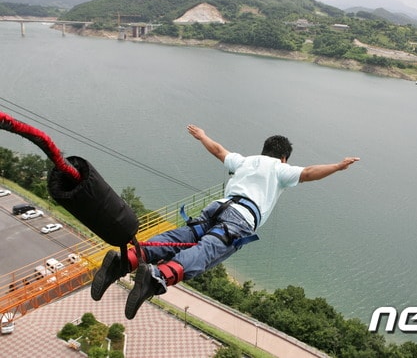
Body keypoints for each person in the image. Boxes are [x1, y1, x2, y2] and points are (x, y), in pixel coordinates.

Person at [91, 124, 360, 319]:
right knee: (205, 252)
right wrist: (338, 166)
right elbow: (310, 173)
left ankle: (124, 261)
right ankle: (157, 277)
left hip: (217, 208)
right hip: (240, 219)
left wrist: (202, 136)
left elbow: (219, 151)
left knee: (181, 238)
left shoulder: (245, 160)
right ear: (283, 157)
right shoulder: (280, 168)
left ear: (263, 150)